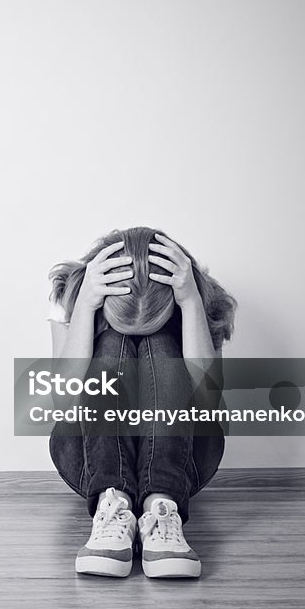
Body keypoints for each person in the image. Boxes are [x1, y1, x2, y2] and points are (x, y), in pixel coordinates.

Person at [47, 226, 236, 579]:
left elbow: (211, 401)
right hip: (90, 463)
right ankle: (112, 502)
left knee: (159, 344)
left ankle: (162, 505)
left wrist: (191, 303)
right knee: (111, 346)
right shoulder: (74, 296)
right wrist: (87, 306)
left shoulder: (197, 301)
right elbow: (63, 401)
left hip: (183, 461)